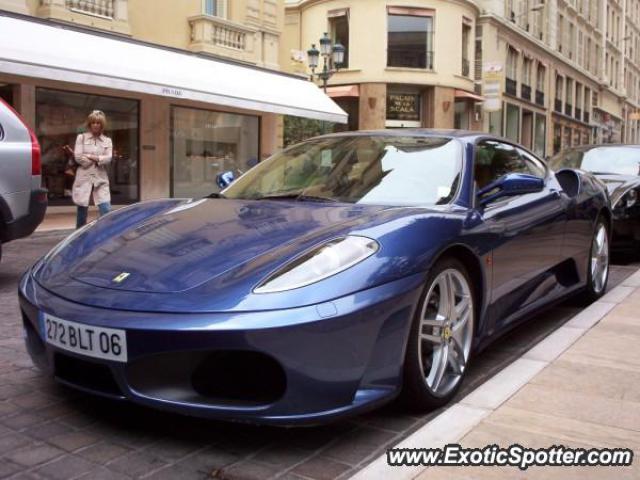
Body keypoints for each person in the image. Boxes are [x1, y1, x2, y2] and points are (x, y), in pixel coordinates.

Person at [73, 110, 112, 228]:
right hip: (83, 177)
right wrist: (99, 159)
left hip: (100, 177)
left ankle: (107, 233)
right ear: (89, 124)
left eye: (98, 123)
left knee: (105, 208)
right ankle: (79, 235)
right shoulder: (81, 138)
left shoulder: (107, 140)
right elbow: (78, 158)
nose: (95, 125)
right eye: (93, 122)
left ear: (102, 125)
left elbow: (108, 158)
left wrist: (90, 156)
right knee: (82, 208)